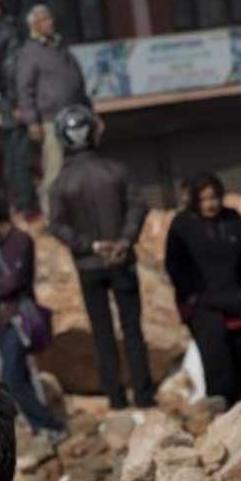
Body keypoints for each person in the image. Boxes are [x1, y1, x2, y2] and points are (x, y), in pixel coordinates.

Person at [45, 105, 154, 409]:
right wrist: (124, 240)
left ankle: (116, 398)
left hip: (88, 266)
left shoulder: (61, 182)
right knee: (132, 329)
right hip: (121, 260)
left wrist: (90, 246)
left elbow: (55, 224)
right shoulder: (116, 170)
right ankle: (145, 396)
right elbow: (138, 206)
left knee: (103, 333)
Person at [0, 192, 66, 437]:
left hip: (19, 319)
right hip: (2, 321)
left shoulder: (22, 241)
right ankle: (40, 426)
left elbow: (15, 281)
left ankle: (50, 425)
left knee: (13, 378)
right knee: (15, 378)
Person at [164, 173, 241, 407]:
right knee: (218, 364)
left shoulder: (233, 219)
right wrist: (192, 299)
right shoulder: (182, 224)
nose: (211, 204)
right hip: (203, 306)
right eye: (205, 199)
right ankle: (222, 414)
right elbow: (175, 265)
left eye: (215, 197)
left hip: (236, 299)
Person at [14, 4, 89, 209]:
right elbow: (25, 90)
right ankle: (51, 215)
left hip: (75, 116)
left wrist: (90, 114)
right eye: (45, 19)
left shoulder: (60, 47)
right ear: (35, 25)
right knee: (54, 169)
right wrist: (32, 121)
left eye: (50, 18)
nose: (50, 22)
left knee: (80, 166)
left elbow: (79, 82)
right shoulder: (30, 52)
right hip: (50, 120)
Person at [0, 0, 37, 216]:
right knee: (20, 150)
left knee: (11, 149)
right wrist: (17, 101)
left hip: (4, 97)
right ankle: (24, 202)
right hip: (13, 98)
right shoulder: (14, 33)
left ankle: (15, 199)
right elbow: (11, 68)